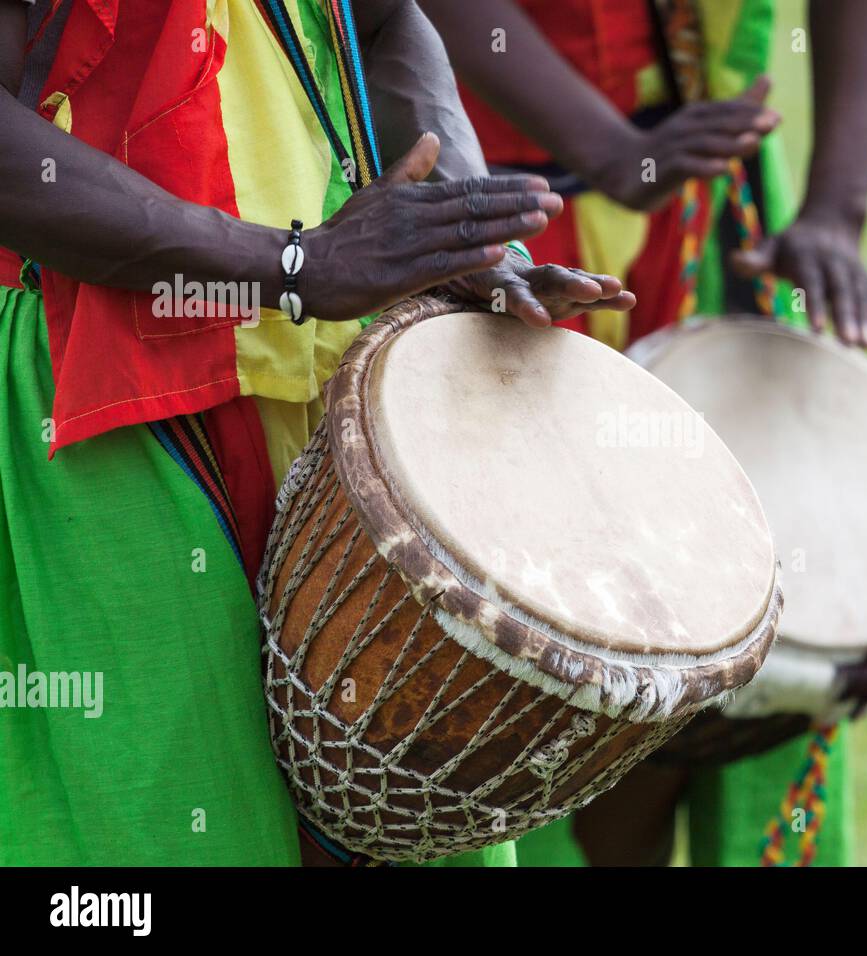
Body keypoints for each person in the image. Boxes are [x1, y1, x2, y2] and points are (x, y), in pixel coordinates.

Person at [0, 0, 631, 867]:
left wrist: (459, 235)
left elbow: (384, 20)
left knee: (416, 823)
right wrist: (293, 264)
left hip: (347, 368)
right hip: (110, 393)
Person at [422, 0, 867, 866]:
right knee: (549, 636)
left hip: (710, 202)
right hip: (501, 213)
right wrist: (609, 150)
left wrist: (838, 208)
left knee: (728, 604)